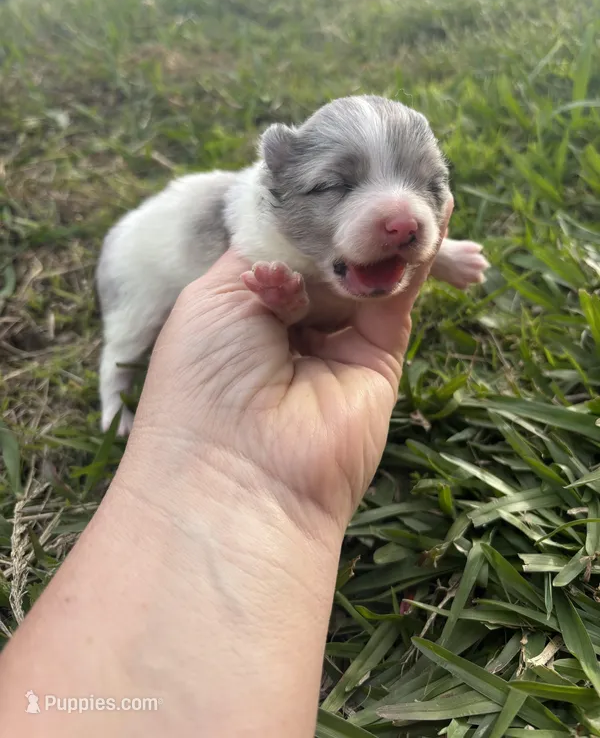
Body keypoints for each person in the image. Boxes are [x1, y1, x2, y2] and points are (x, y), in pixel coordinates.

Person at [0, 203, 452, 735]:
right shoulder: (252, 221)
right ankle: (111, 394)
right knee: (130, 334)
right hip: (138, 259)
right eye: (338, 186)